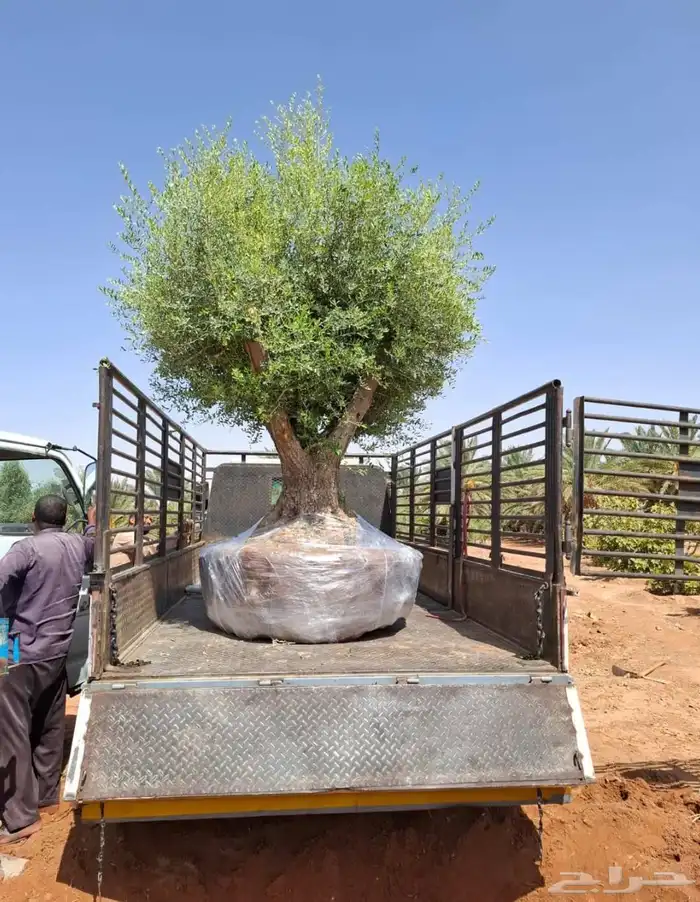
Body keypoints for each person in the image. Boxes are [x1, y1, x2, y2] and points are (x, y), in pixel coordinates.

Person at [0, 495, 95, 845]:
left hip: (18, 651)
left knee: (11, 731)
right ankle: (45, 796)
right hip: (57, 652)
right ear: (64, 518)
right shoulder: (77, 545)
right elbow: (96, 544)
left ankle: (20, 818)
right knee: (49, 724)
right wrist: (92, 522)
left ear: (33, 517)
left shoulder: (25, 549)